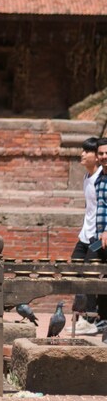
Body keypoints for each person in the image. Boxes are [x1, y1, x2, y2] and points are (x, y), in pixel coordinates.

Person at [69, 137, 101, 334]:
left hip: (97, 239)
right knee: (74, 268)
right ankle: (81, 314)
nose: (82, 154)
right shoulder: (87, 177)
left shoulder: (101, 179)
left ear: (97, 157)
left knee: (90, 274)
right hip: (85, 235)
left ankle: (90, 318)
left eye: (87, 151)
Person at [92, 138, 107, 334]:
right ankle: (100, 318)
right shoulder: (99, 178)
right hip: (98, 239)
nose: (104, 156)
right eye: (101, 153)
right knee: (86, 266)